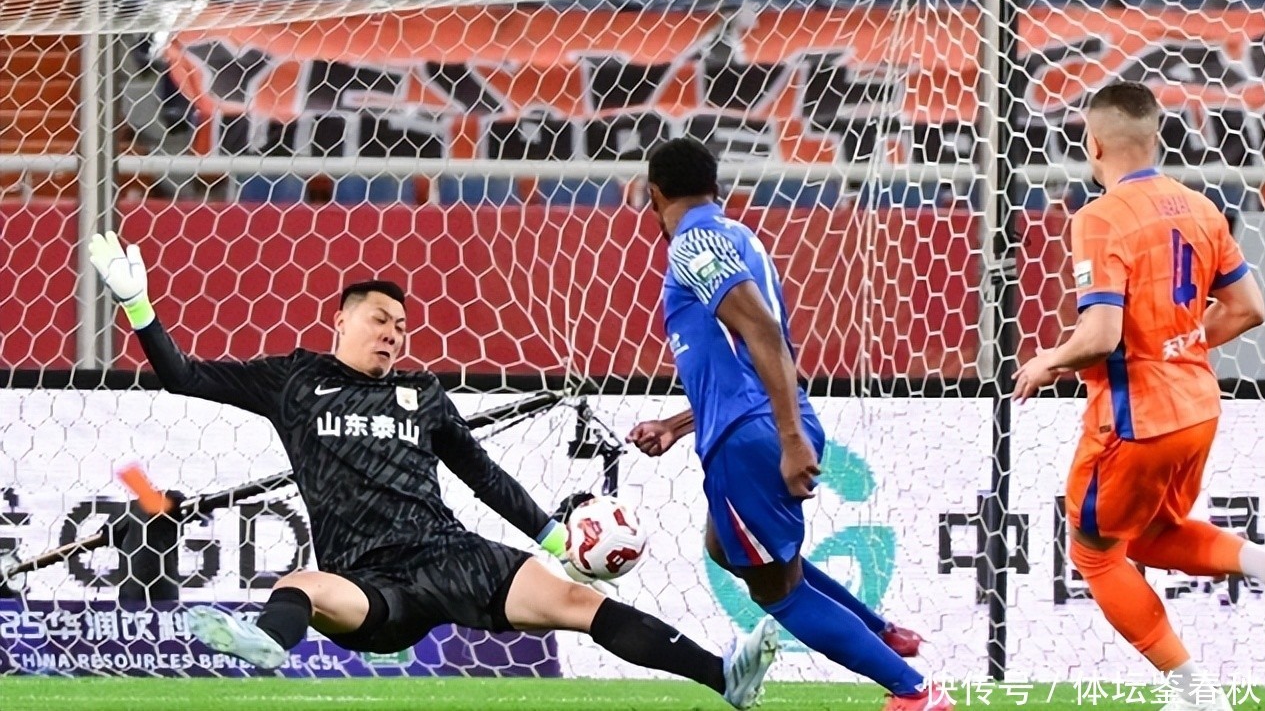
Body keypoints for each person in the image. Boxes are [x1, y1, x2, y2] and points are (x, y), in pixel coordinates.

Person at [88, 232, 779, 709]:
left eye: (401, 328)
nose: (393, 334)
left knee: (579, 605)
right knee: (299, 584)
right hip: (368, 582)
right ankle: (269, 643)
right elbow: (182, 376)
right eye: (380, 320)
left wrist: (557, 539)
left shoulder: (421, 394)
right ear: (341, 321)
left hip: (450, 555)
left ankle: (725, 678)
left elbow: (483, 475)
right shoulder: (294, 380)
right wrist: (137, 306)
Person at [626, 138, 950, 711]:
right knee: (726, 548)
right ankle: (879, 631)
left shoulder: (693, 244)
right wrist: (677, 425)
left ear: (653, 195)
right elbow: (750, 358)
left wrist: (791, 440)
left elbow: (763, 332)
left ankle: (915, 692)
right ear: (715, 187)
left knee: (779, 592)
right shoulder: (738, 236)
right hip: (763, 422)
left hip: (753, 437)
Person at [1013, 81, 1265, 711]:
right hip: (1198, 410)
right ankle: (1259, 562)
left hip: (1137, 421)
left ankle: (1195, 693)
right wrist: (1178, 345)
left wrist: (1048, 359)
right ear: (1155, 138)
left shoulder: (1099, 218)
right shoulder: (1200, 207)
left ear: (1093, 144)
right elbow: (1248, 308)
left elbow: (1100, 336)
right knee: (1150, 535)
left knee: (1094, 554)